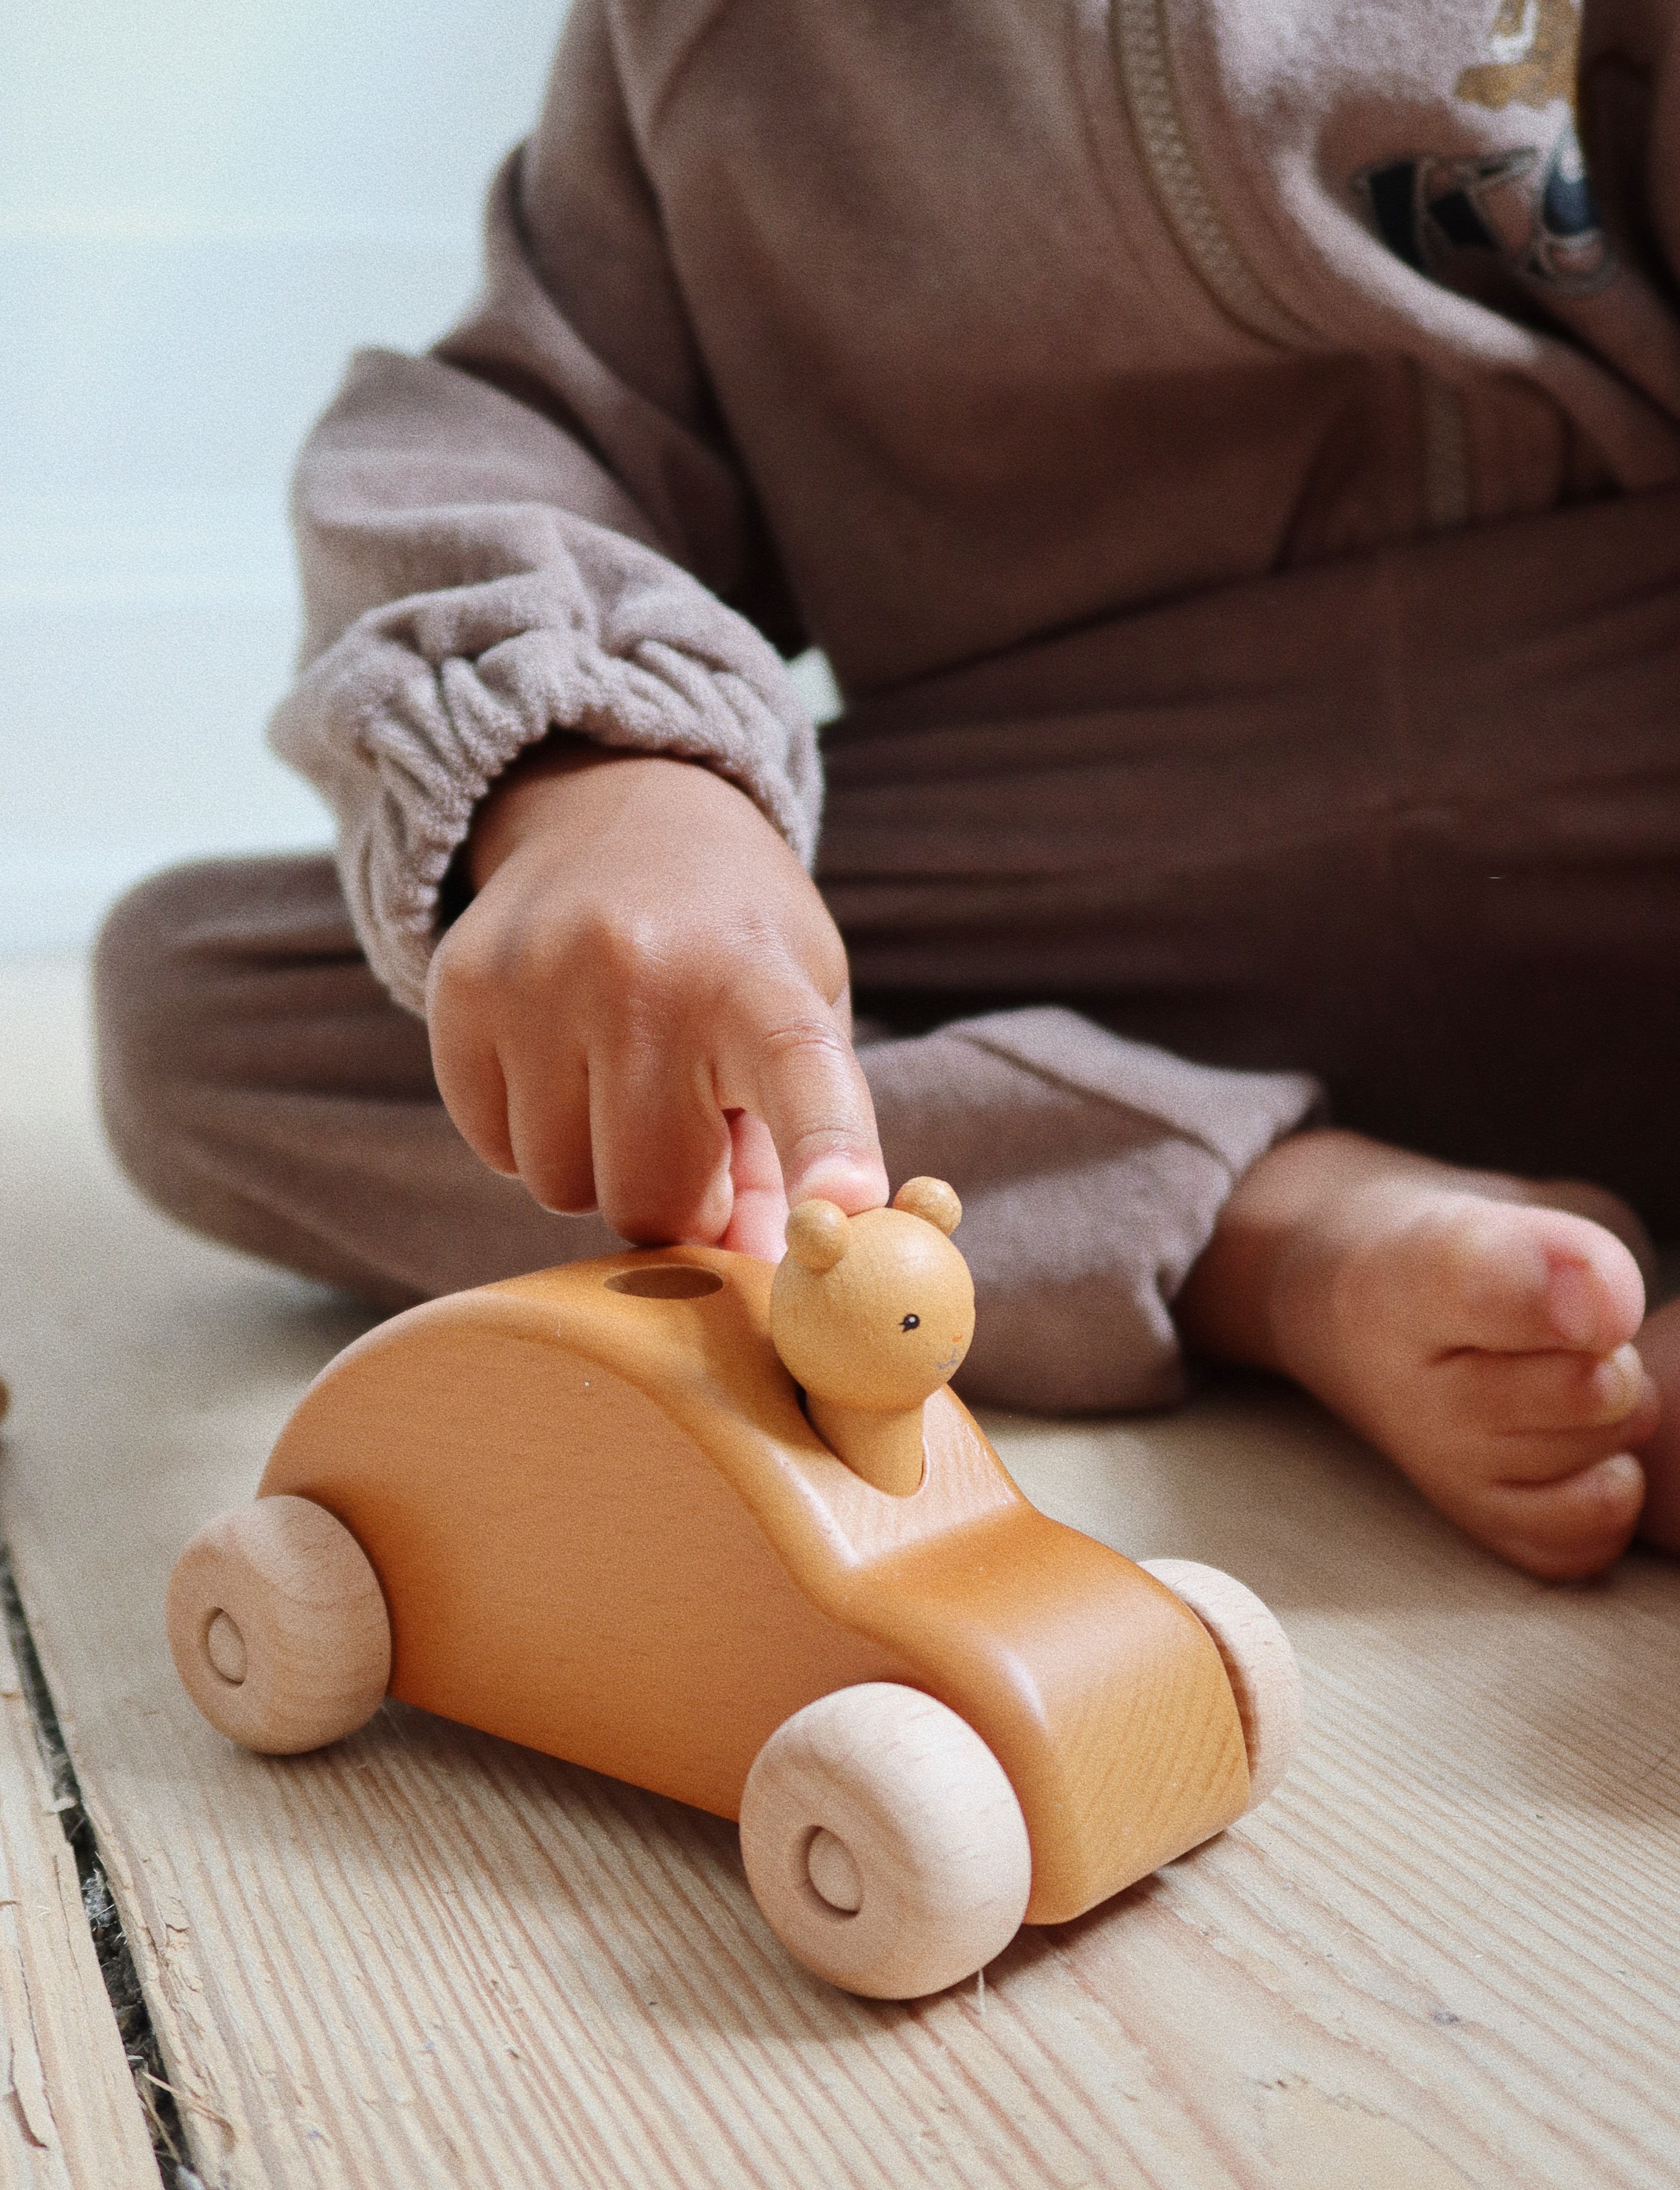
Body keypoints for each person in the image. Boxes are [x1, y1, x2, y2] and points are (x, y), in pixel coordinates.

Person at [95, 0, 1680, 1580]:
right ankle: (1269, 1230)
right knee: (225, 1002)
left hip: (1619, 752)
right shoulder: (714, 41)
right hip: (1088, 826)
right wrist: (601, 772)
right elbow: (534, 427)